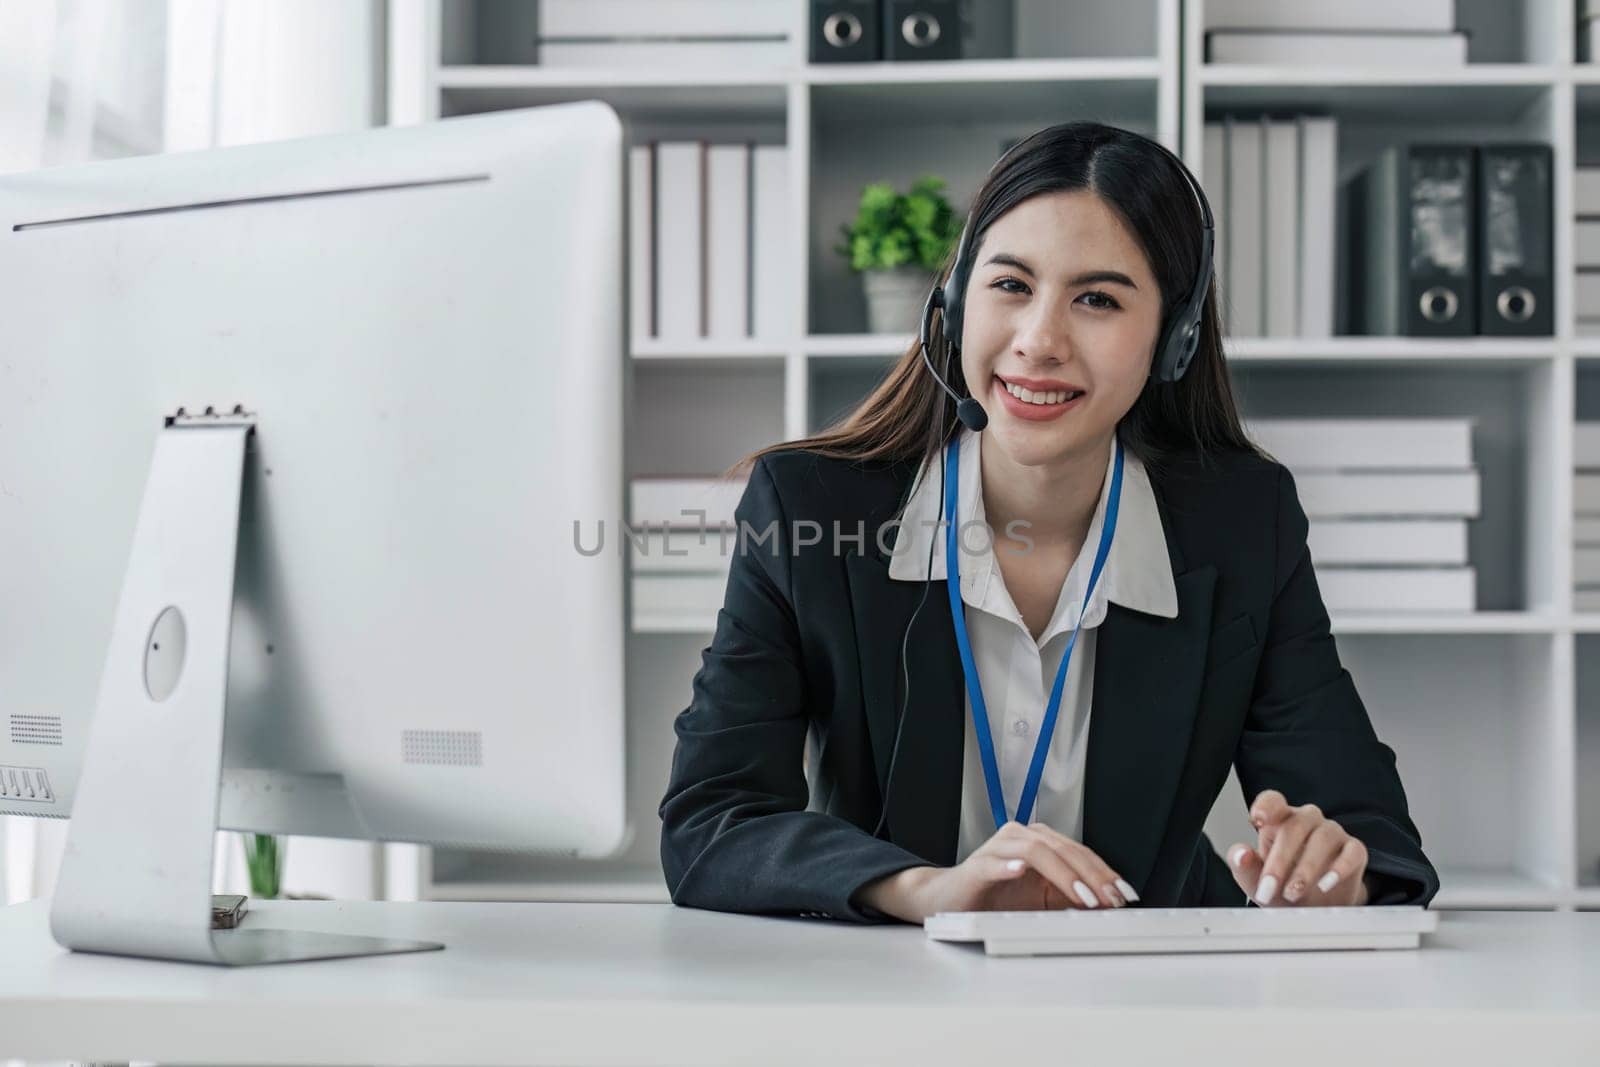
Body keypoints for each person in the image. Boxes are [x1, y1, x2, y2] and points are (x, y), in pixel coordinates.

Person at [657, 121, 1439, 923]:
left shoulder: (1242, 523)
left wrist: (1342, 874)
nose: (1039, 341)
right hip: (891, 988)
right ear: (955, 304)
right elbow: (712, 823)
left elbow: (1373, 836)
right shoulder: (811, 509)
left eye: (1097, 299)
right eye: (1010, 285)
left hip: (1147, 991)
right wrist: (929, 889)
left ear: (1174, 340)